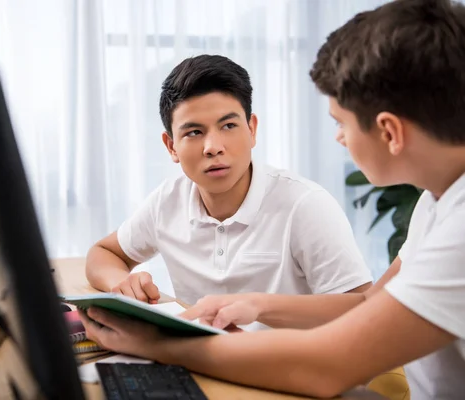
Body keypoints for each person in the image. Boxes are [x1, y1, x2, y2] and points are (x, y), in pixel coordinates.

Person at [79, 0, 465, 398]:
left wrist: (154, 345)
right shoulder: (436, 202)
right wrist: (257, 304)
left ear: (389, 132)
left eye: (340, 122)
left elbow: (330, 364)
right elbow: (370, 304)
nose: (339, 138)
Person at [85, 54, 372, 314]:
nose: (213, 147)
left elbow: (361, 312)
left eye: (228, 126)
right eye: (194, 132)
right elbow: (104, 253)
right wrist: (122, 283)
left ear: (252, 130)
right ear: (171, 146)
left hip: (287, 365)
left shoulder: (306, 205)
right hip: (202, 361)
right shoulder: (167, 200)